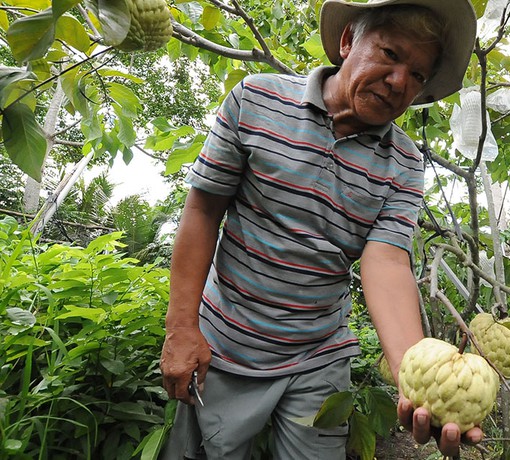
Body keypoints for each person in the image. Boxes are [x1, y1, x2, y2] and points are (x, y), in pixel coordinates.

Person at [160, 0, 478, 458]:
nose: (399, 82)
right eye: (390, 54)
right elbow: (204, 211)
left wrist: (419, 383)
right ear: (348, 41)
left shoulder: (404, 164)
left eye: (419, 75)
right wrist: (181, 327)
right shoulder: (256, 100)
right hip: (229, 343)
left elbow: (387, 261)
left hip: (320, 355)